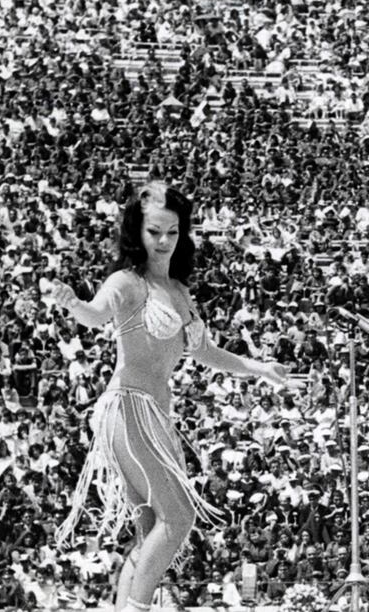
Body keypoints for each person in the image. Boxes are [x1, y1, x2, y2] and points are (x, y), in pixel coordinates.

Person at [48, 182, 289, 612]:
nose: (163, 242)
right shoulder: (126, 282)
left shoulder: (178, 291)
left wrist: (260, 369)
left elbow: (205, 351)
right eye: (154, 231)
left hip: (156, 416)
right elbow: (95, 313)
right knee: (179, 517)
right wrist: (72, 304)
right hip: (129, 406)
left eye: (172, 232)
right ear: (136, 232)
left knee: (150, 530)